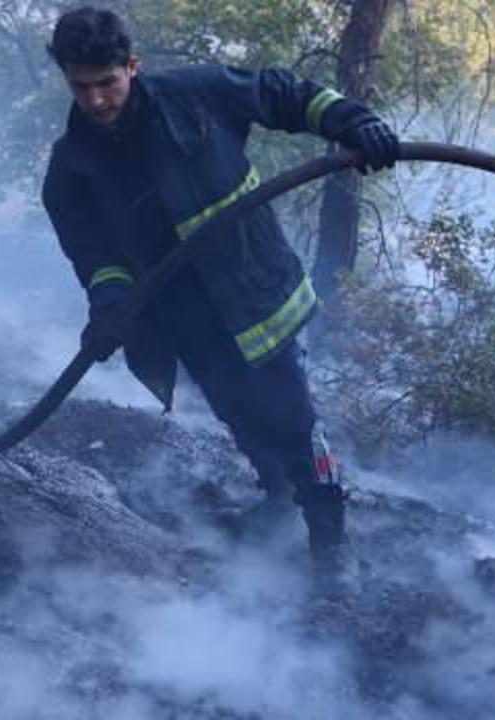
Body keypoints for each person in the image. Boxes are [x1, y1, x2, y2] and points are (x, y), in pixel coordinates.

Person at [41, 7, 399, 565]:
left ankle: (329, 536)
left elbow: (282, 93)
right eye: (80, 86)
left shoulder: (195, 94)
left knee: (291, 415)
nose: (95, 101)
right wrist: (110, 298)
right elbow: (94, 253)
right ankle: (276, 496)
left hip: (255, 290)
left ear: (131, 67)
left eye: (106, 83)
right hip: (183, 315)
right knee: (233, 408)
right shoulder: (71, 168)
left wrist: (353, 121)